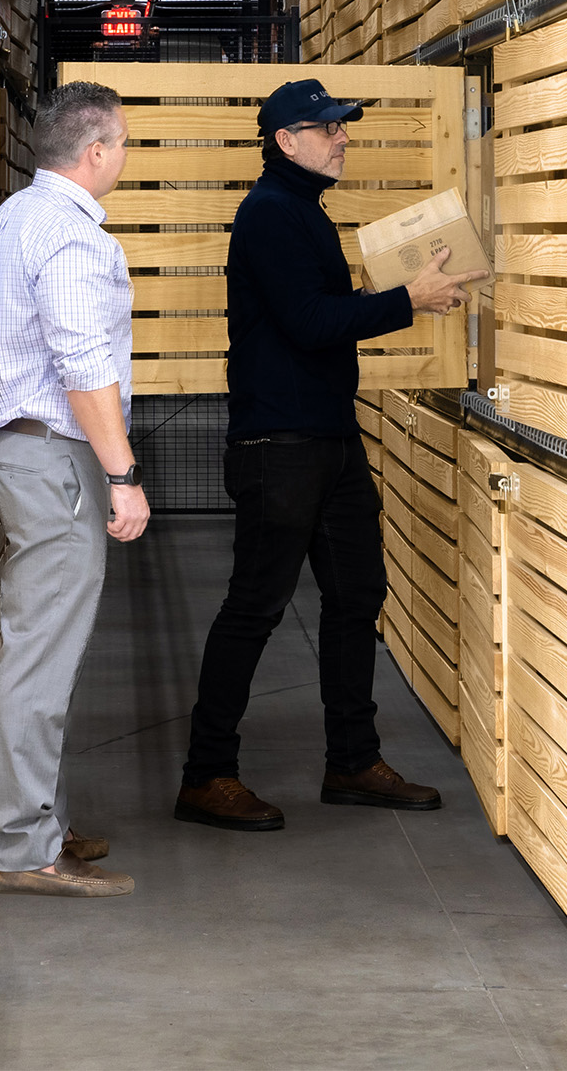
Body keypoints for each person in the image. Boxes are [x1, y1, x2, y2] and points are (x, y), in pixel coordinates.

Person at [174, 78, 485, 831]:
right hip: (279, 444)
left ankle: (352, 760)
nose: (343, 137)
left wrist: (404, 293)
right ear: (286, 141)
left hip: (328, 437)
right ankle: (206, 774)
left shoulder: (305, 212)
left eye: (342, 126)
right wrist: (409, 298)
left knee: (357, 596)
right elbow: (311, 322)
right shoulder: (271, 215)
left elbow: (319, 319)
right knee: (255, 606)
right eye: (328, 128)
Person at [0, 80, 149, 896]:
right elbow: (83, 365)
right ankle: (27, 848)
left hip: (21, 451)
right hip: (55, 458)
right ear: (96, 151)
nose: (123, 158)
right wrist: (122, 475)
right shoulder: (72, 239)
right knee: (44, 651)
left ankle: (39, 818)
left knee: (39, 643)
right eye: (123, 144)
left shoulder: (14, 217)